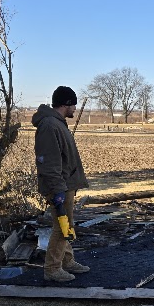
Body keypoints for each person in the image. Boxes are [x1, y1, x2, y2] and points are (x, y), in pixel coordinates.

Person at [32, 86, 91, 282]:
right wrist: (57, 190)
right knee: (61, 227)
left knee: (67, 225)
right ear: (66, 104)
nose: (75, 108)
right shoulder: (49, 125)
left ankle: (67, 261)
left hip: (66, 184)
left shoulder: (58, 123)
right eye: (73, 104)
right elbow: (48, 161)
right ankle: (52, 269)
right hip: (60, 187)